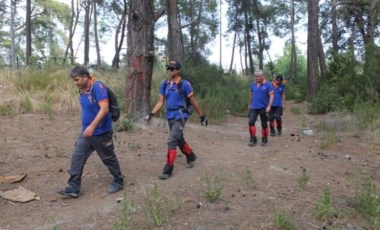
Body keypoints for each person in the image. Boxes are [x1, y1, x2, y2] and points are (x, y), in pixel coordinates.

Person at [57, 65, 124, 198]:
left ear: (85, 77)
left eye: (76, 80)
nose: (75, 83)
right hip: (86, 132)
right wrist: (87, 126)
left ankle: (118, 181)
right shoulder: (83, 89)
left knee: (108, 158)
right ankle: (74, 187)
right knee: (77, 155)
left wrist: (92, 126)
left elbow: (104, 109)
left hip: (100, 132)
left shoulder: (98, 87)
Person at [145, 60, 208, 180]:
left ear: (178, 70)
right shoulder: (164, 84)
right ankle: (191, 156)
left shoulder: (184, 84)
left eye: (172, 69)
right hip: (170, 116)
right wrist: (151, 114)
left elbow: (193, 101)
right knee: (178, 138)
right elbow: (161, 101)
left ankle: (168, 168)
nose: (170, 71)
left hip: (181, 116)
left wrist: (202, 115)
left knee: (172, 140)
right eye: (168, 68)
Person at [248, 70, 274, 146]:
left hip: (264, 107)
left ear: (263, 76)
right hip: (254, 106)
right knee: (251, 122)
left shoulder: (268, 84)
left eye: (259, 76)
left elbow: (272, 95)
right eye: (256, 76)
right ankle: (253, 138)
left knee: (264, 123)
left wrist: (269, 106)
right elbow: (251, 94)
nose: (257, 78)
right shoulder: (253, 84)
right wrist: (249, 103)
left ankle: (264, 138)